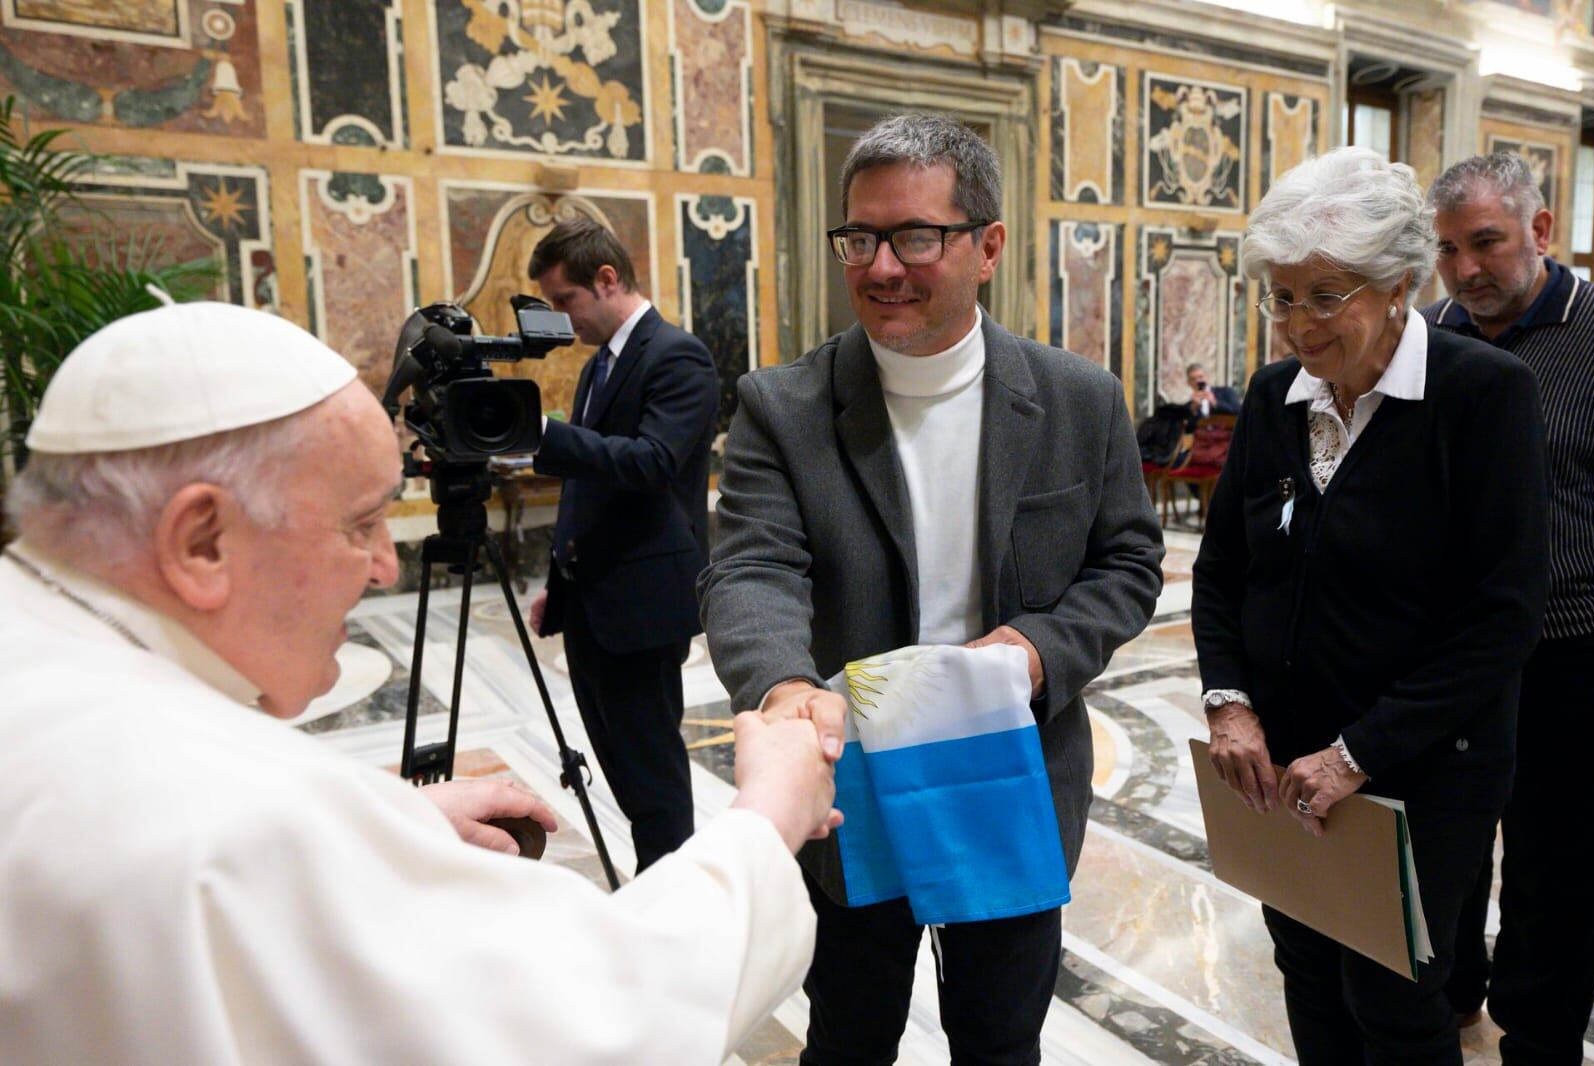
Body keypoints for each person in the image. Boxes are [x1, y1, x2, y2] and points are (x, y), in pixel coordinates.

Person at [0, 301, 839, 1064]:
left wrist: (386, 815)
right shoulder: (241, 823)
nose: (382, 566)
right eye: (360, 524)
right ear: (203, 540)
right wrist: (766, 819)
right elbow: (599, 1020)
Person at [699, 112, 1164, 1065]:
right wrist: (784, 686)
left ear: (987, 245)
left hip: (1009, 768)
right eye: (859, 238)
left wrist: (1040, 648)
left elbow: (1125, 563)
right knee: (851, 1033)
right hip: (849, 779)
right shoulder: (782, 407)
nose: (879, 267)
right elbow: (752, 566)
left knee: (999, 1039)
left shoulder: (1077, 398)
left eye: (916, 236)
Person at [1192, 147, 1550, 1064]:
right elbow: (1224, 565)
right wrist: (1229, 703)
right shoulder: (1277, 396)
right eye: (1279, 297)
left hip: (1422, 765)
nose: (1296, 327)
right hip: (1283, 762)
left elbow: (1501, 617)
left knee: (1391, 999)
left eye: (1324, 297)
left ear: (1398, 285)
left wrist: (1358, 754)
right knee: (1305, 970)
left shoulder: (1483, 395)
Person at [1424, 152, 1594, 1061]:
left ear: (1539, 230)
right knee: (1440, 847)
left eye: (1484, 243)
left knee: (1552, 867)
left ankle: (1537, 1040)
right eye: (1445, 249)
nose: (1463, 271)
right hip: (1446, 654)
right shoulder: (1424, 338)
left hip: (1567, 650)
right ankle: (1451, 996)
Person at [524, 216, 719, 872]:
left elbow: (652, 462)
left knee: (652, 770)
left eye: (565, 301)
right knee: (622, 766)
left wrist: (542, 435)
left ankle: (676, 892)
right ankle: (655, 878)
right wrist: (561, 577)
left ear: (606, 279)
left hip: (641, 603)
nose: (562, 318)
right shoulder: (597, 367)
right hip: (593, 596)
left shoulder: (676, 354)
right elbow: (591, 483)